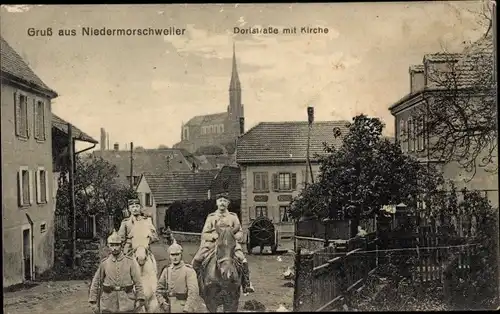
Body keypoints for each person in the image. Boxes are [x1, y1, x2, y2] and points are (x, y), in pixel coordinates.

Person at [191, 191, 255, 293]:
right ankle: (194, 285)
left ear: (228, 203)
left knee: (242, 260)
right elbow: (204, 234)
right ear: (216, 203)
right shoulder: (211, 217)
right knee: (196, 259)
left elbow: (240, 233)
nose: (222, 203)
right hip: (212, 244)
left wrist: (232, 237)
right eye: (220, 201)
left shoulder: (233, 217)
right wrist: (213, 236)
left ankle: (246, 284)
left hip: (229, 244)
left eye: (225, 201)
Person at [88, 230, 145, 313]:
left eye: (117, 245)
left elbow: (138, 282)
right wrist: (93, 301)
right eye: (112, 245)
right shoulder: (105, 263)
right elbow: (96, 282)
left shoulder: (130, 262)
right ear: (109, 246)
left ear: (121, 246)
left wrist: (140, 299)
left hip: (127, 302)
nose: (114, 248)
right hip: (108, 303)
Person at [156, 242, 199, 313]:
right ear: (169, 256)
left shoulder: (188, 271)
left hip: (182, 306)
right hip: (168, 307)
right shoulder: (166, 270)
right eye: (172, 255)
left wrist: (187, 309)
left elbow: (193, 292)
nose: (175, 257)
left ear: (181, 255)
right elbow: (158, 290)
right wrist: (162, 302)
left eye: (177, 254)